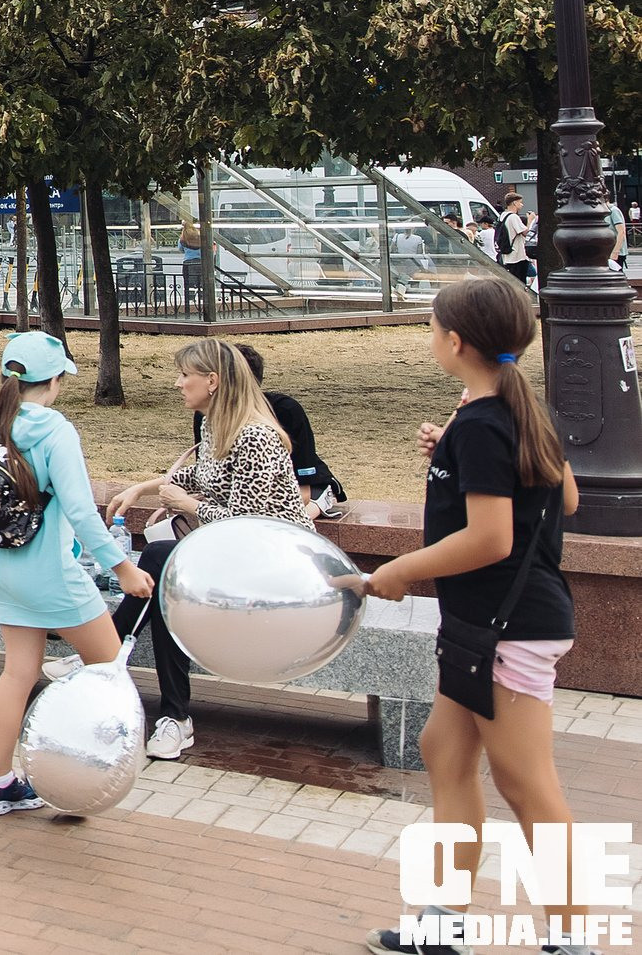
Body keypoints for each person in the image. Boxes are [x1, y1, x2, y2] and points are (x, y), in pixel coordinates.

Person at [364, 277, 582, 954]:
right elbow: (565, 496)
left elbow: (493, 538)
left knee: (527, 783)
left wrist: (401, 569)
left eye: (432, 329)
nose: (432, 339)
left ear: (455, 341)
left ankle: (576, 938)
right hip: (485, 626)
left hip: (506, 629)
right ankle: (441, 923)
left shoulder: (487, 421)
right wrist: (455, 451)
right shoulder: (502, 411)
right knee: (444, 750)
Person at [0, 330, 153, 815]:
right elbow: (81, 511)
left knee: (17, 673)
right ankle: (91, 775)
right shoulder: (55, 430)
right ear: (52, 382)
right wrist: (123, 568)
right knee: (110, 674)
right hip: (53, 573)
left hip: (4, 570)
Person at [99, 339, 313, 760]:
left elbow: (244, 519)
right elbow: (204, 474)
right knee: (169, 580)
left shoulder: (256, 435)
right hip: (239, 556)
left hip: (279, 566)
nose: (178, 384)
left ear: (212, 381)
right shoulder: (218, 424)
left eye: (185, 375)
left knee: (164, 564)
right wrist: (146, 488)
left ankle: (107, 654)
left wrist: (188, 506)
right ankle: (170, 713)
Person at [228, 342, 344, 520]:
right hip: (244, 495)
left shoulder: (284, 411)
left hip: (300, 488)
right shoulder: (204, 417)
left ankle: (323, 497)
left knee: (296, 516)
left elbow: (301, 493)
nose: (179, 384)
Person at [495, 191, 533, 286]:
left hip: (507, 256)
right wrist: (530, 220)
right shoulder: (513, 217)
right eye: (520, 202)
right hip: (517, 256)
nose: (522, 204)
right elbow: (526, 233)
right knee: (520, 283)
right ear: (514, 203)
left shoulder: (502, 216)